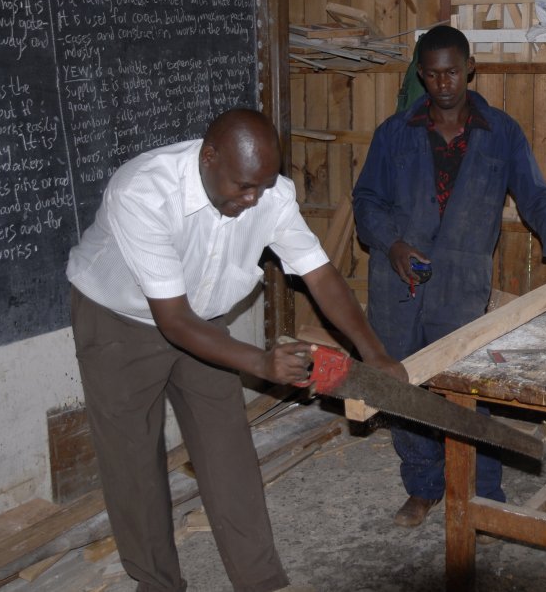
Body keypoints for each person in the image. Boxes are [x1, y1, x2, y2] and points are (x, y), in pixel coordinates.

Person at [67, 108, 406, 592]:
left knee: (228, 448)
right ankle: (157, 583)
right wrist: (259, 363)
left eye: (262, 186)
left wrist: (373, 353)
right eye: (242, 186)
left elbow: (320, 275)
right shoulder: (143, 190)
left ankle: (259, 580)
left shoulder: (270, 194)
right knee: (134, 460)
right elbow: (173, 320)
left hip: (201, 319)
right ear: (208, 158)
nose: (252, 200)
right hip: (119, 321)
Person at [353, 25, 546, 528]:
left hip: (461, 290)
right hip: (396, 286)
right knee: (402, 392)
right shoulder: (394, 133)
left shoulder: (500, 132)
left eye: (453, 72)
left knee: (466, 395)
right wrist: (393, 245)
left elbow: (534, 198)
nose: (444, 83)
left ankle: (485, 493)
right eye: (434, 73)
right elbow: (366, 202)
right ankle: (423, 487)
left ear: (469, 70)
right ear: (422, 73)